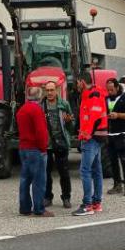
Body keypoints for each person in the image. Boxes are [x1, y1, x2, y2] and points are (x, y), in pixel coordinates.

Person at [72, 73, 108, 216]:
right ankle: (96, 202)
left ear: (82, 81)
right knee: (96, 170)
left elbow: (93, 117)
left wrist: (86, 134)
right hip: (96, 136)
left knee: (85, 171)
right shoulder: (92, 94)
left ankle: (87, 205)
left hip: (91, 137)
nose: (76, 85)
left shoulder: (93, 95)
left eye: (77, 82)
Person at [17, 87, 53, 217]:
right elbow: (41, 132)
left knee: (25, 179)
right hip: (35, 149)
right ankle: (39, 208)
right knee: (39, 180)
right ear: (39, 97)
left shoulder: (22, 109)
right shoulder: (36, 110)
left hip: (23, 147)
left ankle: (24, 207)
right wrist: (43, 147)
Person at [41, 80, 74, 209]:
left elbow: (71, 126)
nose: (49, 93)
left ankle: (66, 197)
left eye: (52, 90)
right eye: (47, 90)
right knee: (46, 173)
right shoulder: (41, 106)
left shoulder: (64, 104)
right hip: (47, 144)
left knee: (64, 173)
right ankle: (47, 197)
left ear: (57, 91)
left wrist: (69, 121)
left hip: (61, 143)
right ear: (44, 91)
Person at [105, 78, 125, 197]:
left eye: (112, 89)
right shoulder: (105, 99)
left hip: (121, 134)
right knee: (112, 161)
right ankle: (117, 184)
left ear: (117, 88)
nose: (110, 92)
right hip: (109, 134)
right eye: (108, 90)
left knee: (124, 160)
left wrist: (118, 115)